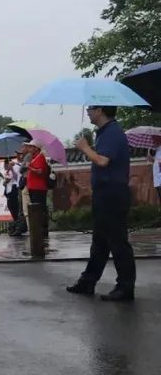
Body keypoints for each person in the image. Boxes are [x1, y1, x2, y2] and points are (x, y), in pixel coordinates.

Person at [67, 106, 135, 301]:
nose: (87, 112)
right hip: (104, 194)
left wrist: (85, 148)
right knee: (100, 242)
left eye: (90, 108)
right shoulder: (104, 133)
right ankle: (88, 281)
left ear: (100, 110)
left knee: (117, 241)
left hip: (112, 194)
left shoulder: (112, 132)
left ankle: (125, 286)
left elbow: (103, 161)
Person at [22, 141, 50, 238]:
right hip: (32, 187)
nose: (29, 149)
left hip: (39, 187)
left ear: (36, 148)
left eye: (31, 147)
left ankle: (43, 230)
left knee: (40, 209)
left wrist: (29, 167)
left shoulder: (40, 157)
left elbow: (40, 171)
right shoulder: (33, 158)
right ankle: (38, 229)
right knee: (35, 208)